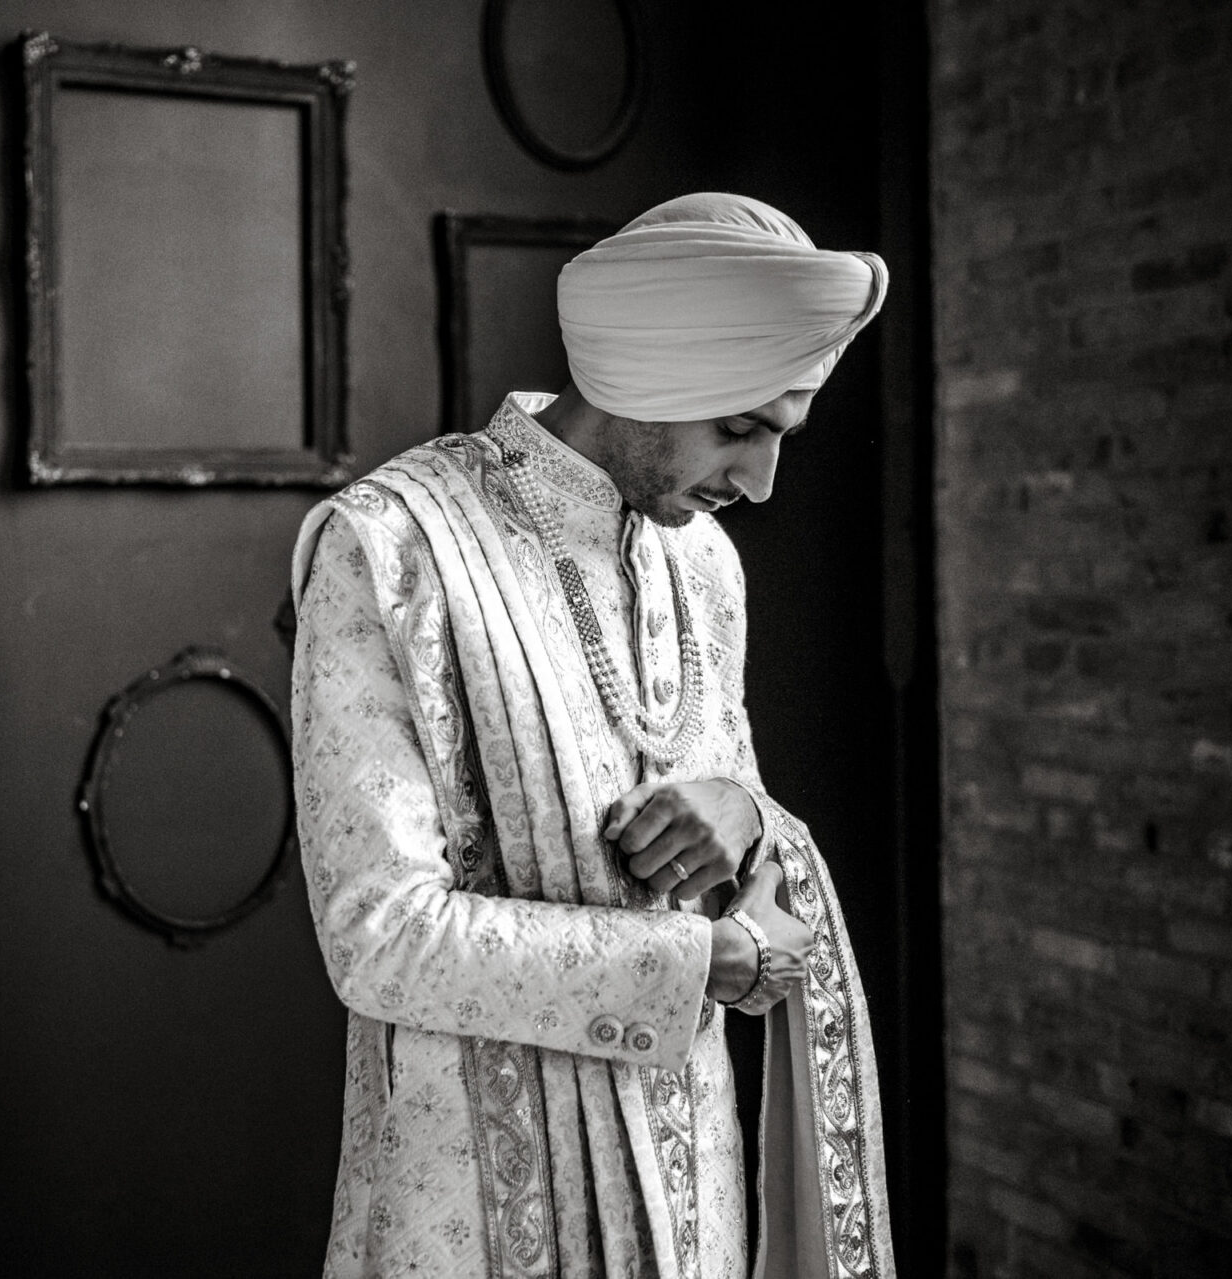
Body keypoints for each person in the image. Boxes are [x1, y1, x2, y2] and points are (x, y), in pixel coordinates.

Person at [288, 193, 894, 1278]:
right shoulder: (392, 548)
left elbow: (747, 874)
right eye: (742, 428)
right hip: (473, 1205)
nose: (759, 483)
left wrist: (748, 824)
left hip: (693, 1188)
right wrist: (685, 961)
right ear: (646, 373)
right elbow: (377, 933)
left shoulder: (702, 561)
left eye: (780, 433)